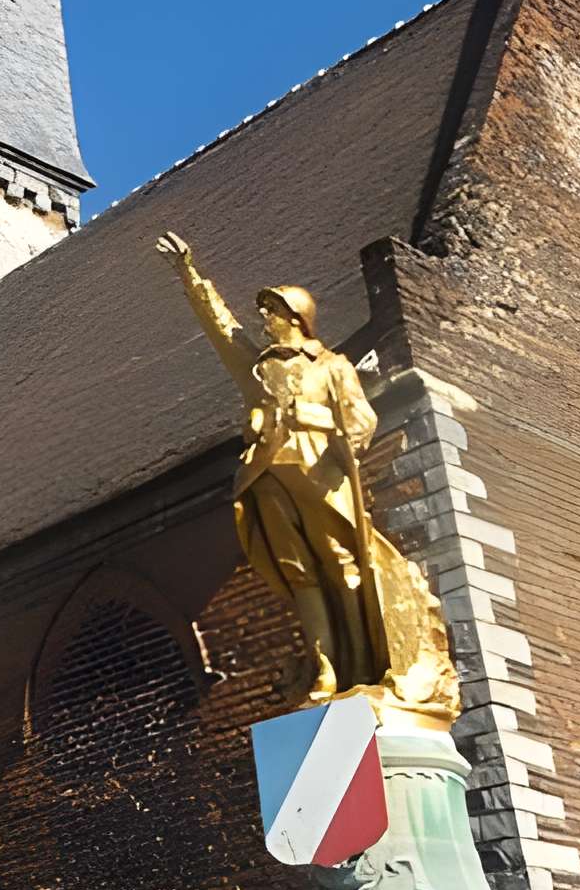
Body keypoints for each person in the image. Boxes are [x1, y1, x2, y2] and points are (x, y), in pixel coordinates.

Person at [156, 232, 458, 719]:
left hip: (321, 470)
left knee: (343, 564)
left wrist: (346, 441)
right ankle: (326, 669)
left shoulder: (332, 366)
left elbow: (361, 418)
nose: (265, 319)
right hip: (269, 475)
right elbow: (221, 327)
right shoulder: (258, 369)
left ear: (295, 319)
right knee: (300, 575)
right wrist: (190, 275)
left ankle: (367, 661)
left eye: (273, 311)